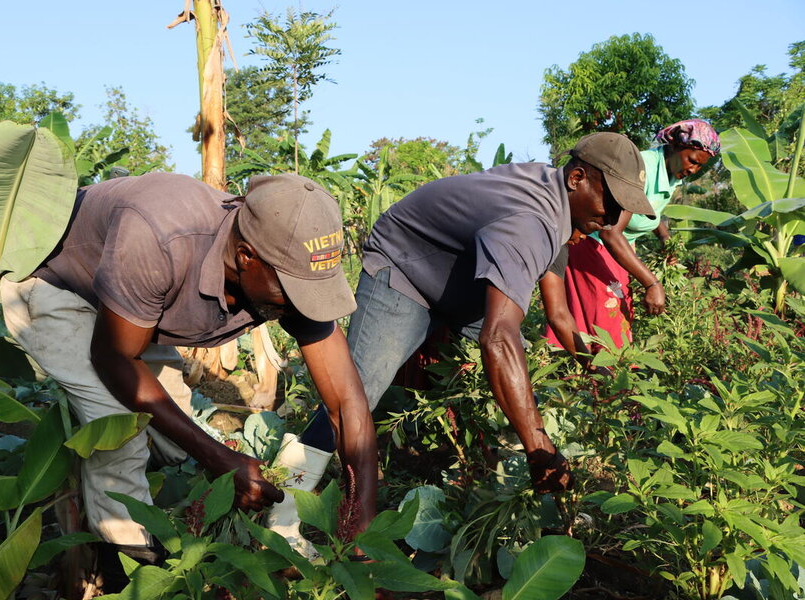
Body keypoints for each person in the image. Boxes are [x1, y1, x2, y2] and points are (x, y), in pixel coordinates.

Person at [270, 132, 656, 550]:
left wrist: (596, 363)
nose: (617, 214)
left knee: (523, 381)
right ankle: (281, 510)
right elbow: (498, 338)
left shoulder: (560, 213)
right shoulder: (532, 220)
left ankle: (512, 509)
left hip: (460, 285)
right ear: (577, 177)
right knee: (353, 395)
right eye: (611, 199)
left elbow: (558, 314)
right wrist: (538, 444)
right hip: (406, 270)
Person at [0, 172, 377, 589]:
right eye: (292, 291)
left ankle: (159, 529)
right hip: (61, 287)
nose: (301, 306)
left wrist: (362, 517)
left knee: (170, 440)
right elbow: (113, 357)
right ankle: (130, 575)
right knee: (120, 433)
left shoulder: (282, 267)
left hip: (135, 313)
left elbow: (346, 401)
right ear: (247, 256)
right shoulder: (160, 235)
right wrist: (217, 456)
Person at [545, 119, 720, 350]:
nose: (693, 170)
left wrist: (665, 239)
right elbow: (610, 232)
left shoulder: (672, 175)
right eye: (692, 161)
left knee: (620, 307)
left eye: (699, 167)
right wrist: (652, 283)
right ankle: (600, 373)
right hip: (590, 241)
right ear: (676, 146)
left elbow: (650, 211)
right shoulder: (641, 168)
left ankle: (598, 373)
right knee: (605, 309)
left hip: (616, 250)